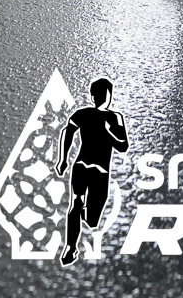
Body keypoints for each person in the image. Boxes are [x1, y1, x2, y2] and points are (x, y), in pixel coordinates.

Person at [57, 77, 129, 266]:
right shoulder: (84, 114)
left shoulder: (115, 117)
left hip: (99, 171)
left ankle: (82, 216)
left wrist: (106, 132)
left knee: (92, 218)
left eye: (104, 94)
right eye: (99, 94)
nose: (102, 97)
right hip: (83, 165)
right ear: (93, 96)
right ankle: (70, 247)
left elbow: (123, 146)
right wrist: (63, 159)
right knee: (76, 202)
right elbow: (67, 132)